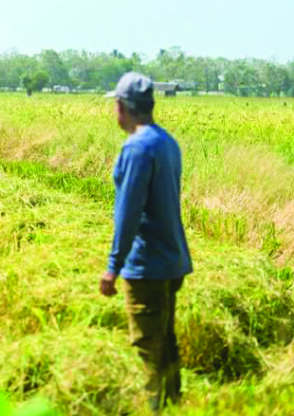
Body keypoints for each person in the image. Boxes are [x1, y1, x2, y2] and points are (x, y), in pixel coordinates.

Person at [100, 72, 192, 411]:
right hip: (172, 260)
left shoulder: (137, 148)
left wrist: (113, 266)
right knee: (166, 342)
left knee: (148, 347)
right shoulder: (166, 142)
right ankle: (173, 405)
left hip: (147, 265)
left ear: (122, 106)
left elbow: (129, 213)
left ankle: (156, 408)